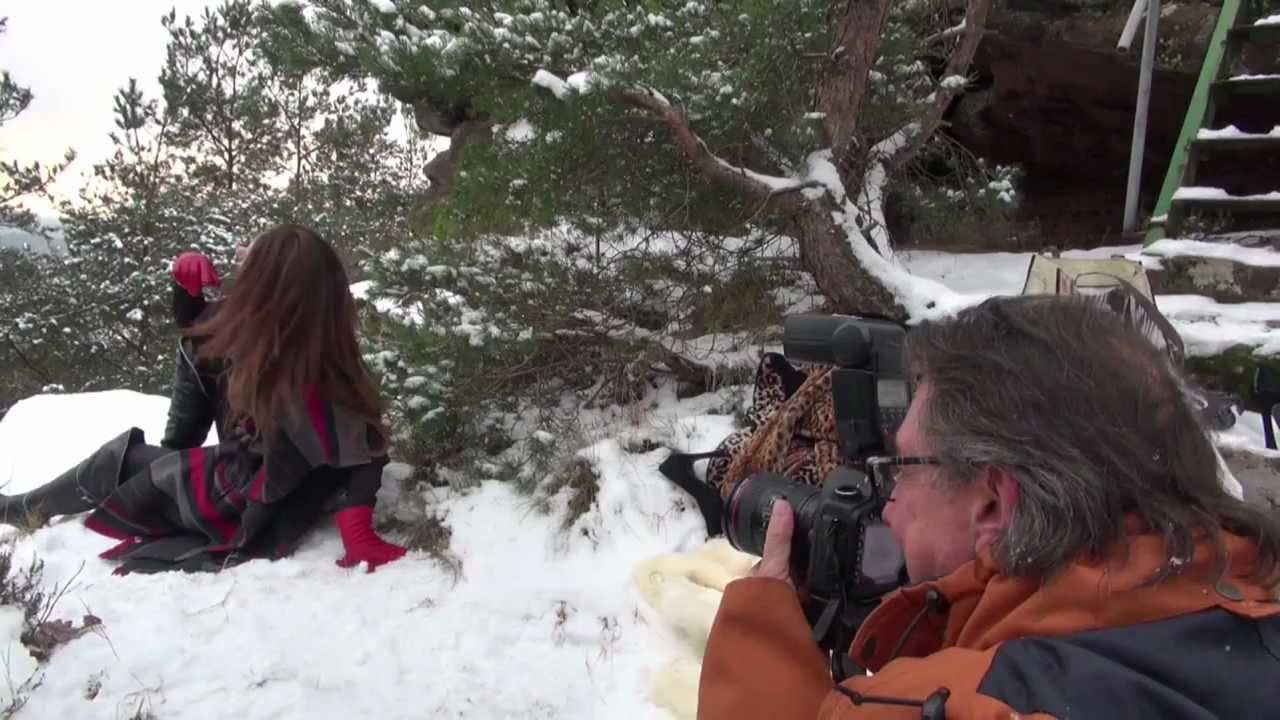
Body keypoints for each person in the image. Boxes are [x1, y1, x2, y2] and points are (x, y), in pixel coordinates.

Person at [697, 295, 1280, 719]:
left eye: (901, 472)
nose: (888, 508)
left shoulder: (956, 703)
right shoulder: (1251, 614)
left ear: (993, 505)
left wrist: (759, 631)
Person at [0, 224, 408, 575]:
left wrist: (357, 533)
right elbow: (363, 441)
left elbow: (363, 446)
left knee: (119, 458)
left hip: (247, 494)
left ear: (268, 287)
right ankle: (30, 505)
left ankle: (20, 509)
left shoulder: (293, 367)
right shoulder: (313, 347)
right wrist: (187, 298)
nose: (240, 255)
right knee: (152, 451)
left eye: (253, 258)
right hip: (265, 482)